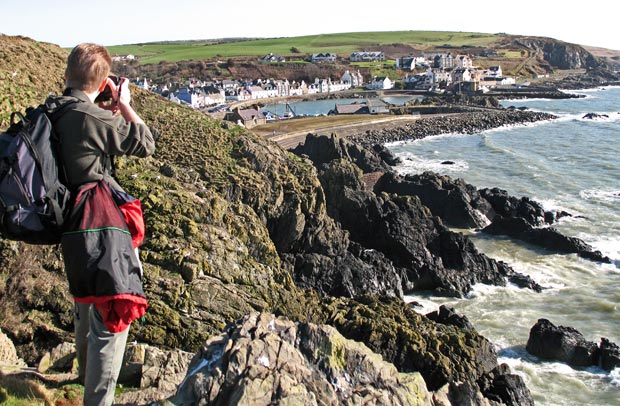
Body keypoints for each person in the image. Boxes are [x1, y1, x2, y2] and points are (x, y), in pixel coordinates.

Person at [51, 43, 155, 406]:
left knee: (86, 300)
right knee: (112, 315)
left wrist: (98, 104)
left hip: (71, 227)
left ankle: (82, 375)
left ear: (67, 74)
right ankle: (98, 399)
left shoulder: (57, 111)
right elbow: (145, 142)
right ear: (101, 81)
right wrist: (124, 104)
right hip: (99, 228)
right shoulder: (91, 118)